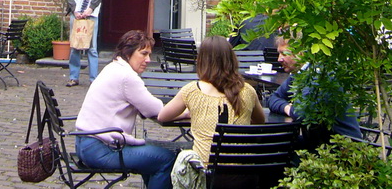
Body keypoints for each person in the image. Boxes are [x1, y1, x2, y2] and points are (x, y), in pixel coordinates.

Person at [75, 30, 176, 189]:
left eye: (149, 54)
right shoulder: (127, 76)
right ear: (128, 53)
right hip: (101, 150)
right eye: (143, 54)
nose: (148, 60)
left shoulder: (113, 67)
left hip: (84, 144)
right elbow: (156, 109)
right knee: (166, 159)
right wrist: (186, 112)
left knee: (152, 158)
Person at [158, 35, 265, 163]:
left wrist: (186, 114)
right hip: (242, 175)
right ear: (232, 59)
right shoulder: (248, 91)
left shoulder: (192, 90)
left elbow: (162, 116)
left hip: (205, 173)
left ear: (201, 60)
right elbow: (260, 120)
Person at [268, 33, 361, 144]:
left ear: (300, 52)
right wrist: (287, 108)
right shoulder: (298, 74)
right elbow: (273, 98)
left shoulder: (320, 75)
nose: (279, 59)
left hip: (342, 148)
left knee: (280, 148)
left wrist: (290, 109)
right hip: (318, 142)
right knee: (277, 144)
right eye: (279, 54)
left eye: (284, 53)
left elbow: (301, 113)